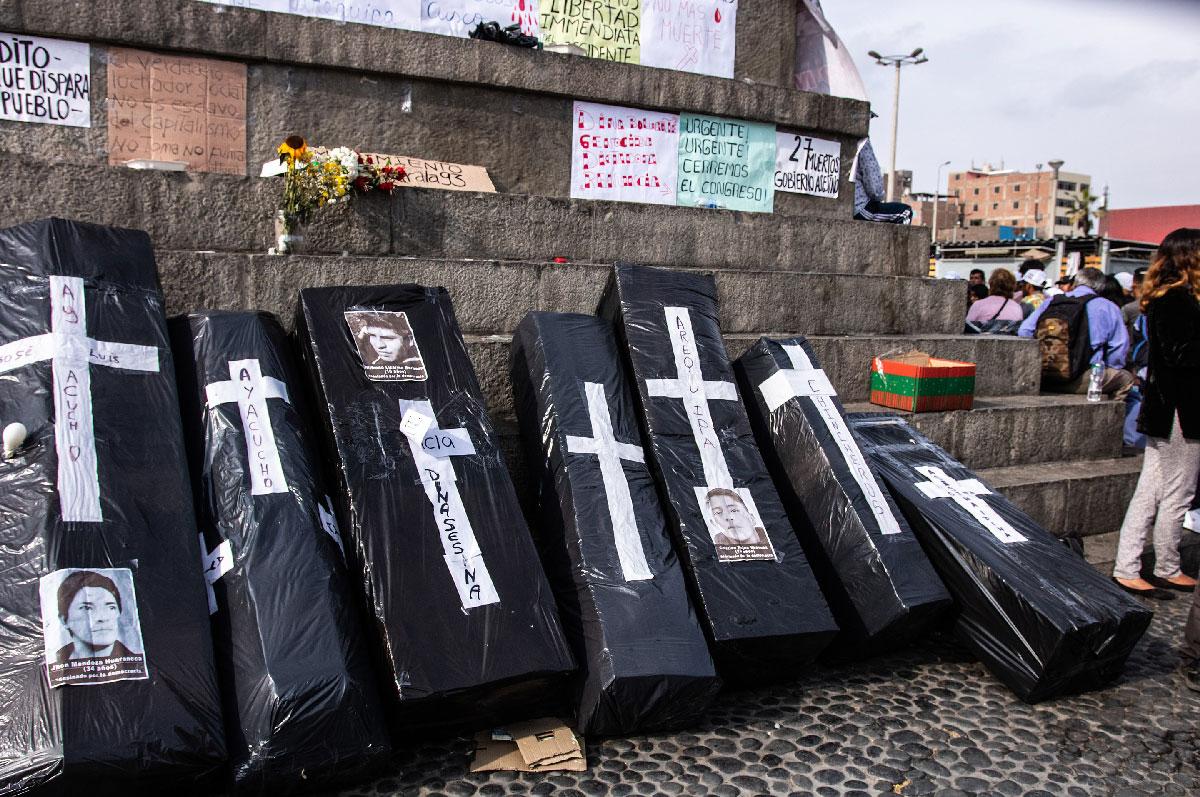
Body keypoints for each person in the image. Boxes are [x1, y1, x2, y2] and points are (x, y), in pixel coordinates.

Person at [1109, 229, 1200, 617]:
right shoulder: (1179, 300)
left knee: (1154, 489)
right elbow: (1185, 356)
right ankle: (1163, 566)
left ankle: (1132, 566)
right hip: (1182, 409)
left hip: (1165, 408)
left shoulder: (1164, 297)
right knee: (1177, 490)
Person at [1018, 266, 1133, 399]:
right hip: (1082, 378)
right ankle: (1111, 416)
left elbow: (1024, 331)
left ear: (1075, 283)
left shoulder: (1051, 302)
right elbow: (1118, 350)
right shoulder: (1108, 307)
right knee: (1126, 379)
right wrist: (1108, 368)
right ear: (1101, 288)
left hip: (1044, 376)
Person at [55, 571, 136, 662]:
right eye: (87, 608)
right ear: (64, 620)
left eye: (111, 607)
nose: (102, 618)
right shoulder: (52, 662)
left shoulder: (134, 665)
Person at [851, 139, 912, 224]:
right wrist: (880, 196)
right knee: (905, 212)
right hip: (859, 208)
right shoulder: (861, 142)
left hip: (838, 206)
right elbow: (875, 188)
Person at [965, 268, 1023, 333]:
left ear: (991, 284)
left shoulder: (978, 305)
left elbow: (968, 329)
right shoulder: (1017, 307)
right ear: (1012, 286)